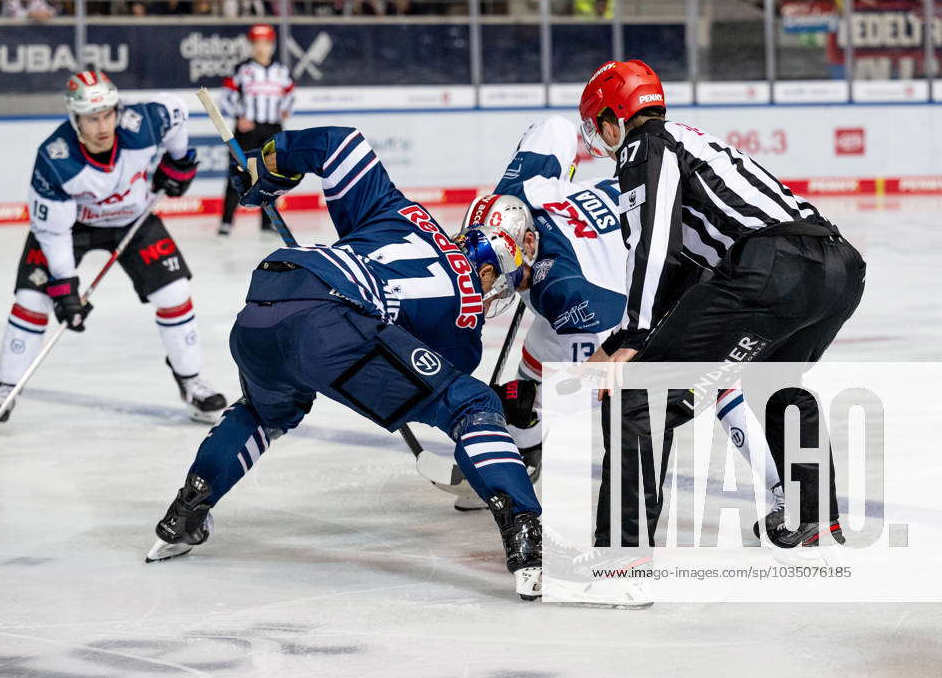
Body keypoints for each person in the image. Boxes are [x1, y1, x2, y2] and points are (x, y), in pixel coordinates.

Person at [145, 126, 543, 600]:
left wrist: (270, 166)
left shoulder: (401, 213)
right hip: (329, 323)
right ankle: (523, 529)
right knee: (472, 403)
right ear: (489, 266)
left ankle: (186, 513)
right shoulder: (466, 318)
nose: (498, 292)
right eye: (506, 277)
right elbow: (439, 387)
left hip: (267, 296)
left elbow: (339, 143)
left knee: (264, 412)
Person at [454, 117, 784, 560]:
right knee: (536, 356)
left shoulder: (565, 292)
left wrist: (531, 398)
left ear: (526, 245)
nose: (490, 284)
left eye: (496, 270)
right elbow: (555, 127)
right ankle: (523, 452)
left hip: (685, 266)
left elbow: (621, 349)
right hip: (628, 256)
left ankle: (786, 493)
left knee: (710, 379)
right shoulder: (523, 191)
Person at [579, 60, 866, 548]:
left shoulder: (644, 146)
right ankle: (814, 514)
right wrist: (622, 338)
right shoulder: (692, 142)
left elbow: (654, 246)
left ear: (615, 118)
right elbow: (687, 277)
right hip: (839, 268)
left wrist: (632, 338)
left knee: (638, 397)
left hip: (774, 266)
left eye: (598, 127)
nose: (599, 141)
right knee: (773, 381)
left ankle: (620, 558)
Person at [0, 71, 227, 425]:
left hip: (133, 219)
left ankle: (191, 383)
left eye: (107, 115)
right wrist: (65, 289)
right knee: (32, 299)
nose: (102, 126)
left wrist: (177, 160)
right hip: (73, 228)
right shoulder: (55, 158)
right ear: (75, 118)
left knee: (175, 292)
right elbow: (53, 234)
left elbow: (176, 110)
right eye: (91, 118)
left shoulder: (141, 124)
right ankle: (7, 387)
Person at [218, 24, 295, 236]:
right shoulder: (243, 69)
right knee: (238, 172)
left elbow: (290, 93)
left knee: (273, 174)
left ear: (272, 45)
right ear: (251, 45)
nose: (262, 48)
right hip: (247, 129)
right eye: (257, 43)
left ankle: (268, 221)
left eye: (265, 43)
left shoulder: (281, 71)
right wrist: (239, 115)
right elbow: (225, 97)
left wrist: (285, 110)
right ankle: (226, 221)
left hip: (272, 128)